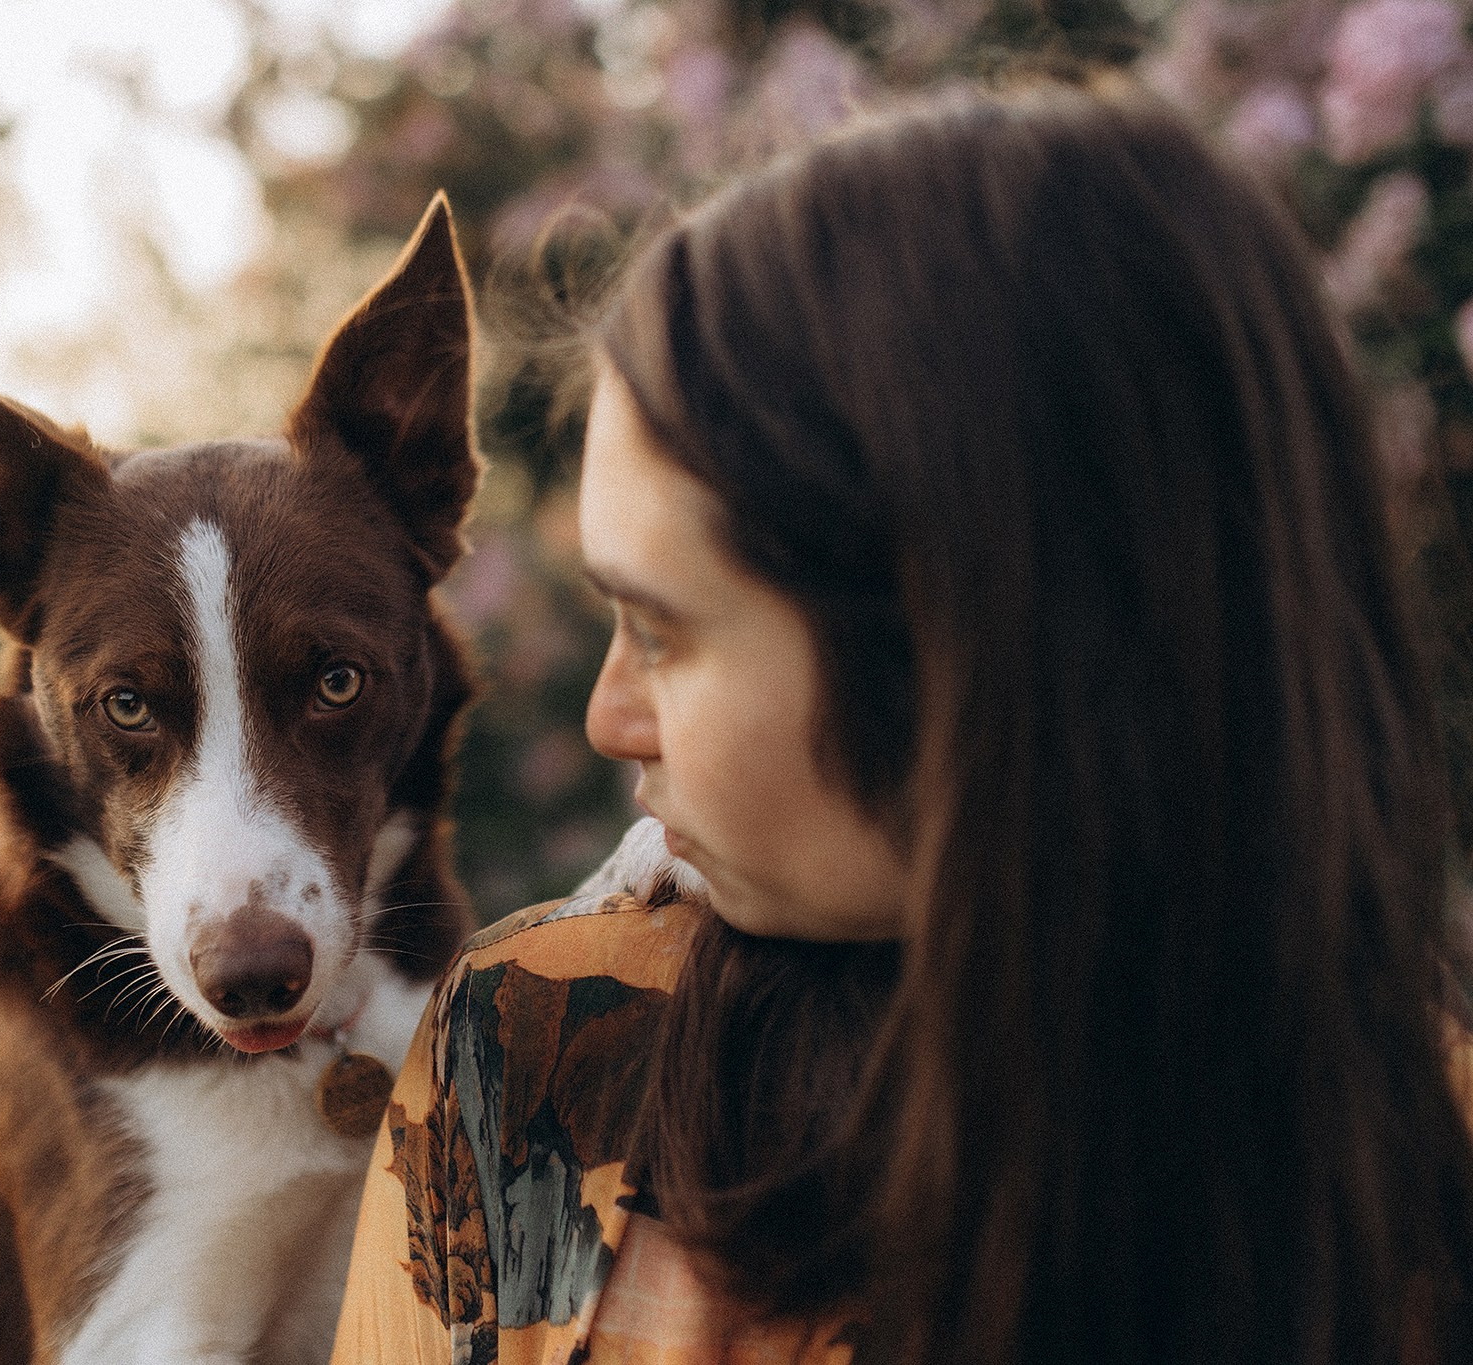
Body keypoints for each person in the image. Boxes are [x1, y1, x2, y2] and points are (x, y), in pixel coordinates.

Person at [329, 78, 1473, 1365]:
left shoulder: (1420, 1185)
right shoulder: (542, 1063)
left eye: (658, 629)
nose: (608, 717)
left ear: (965, 645)